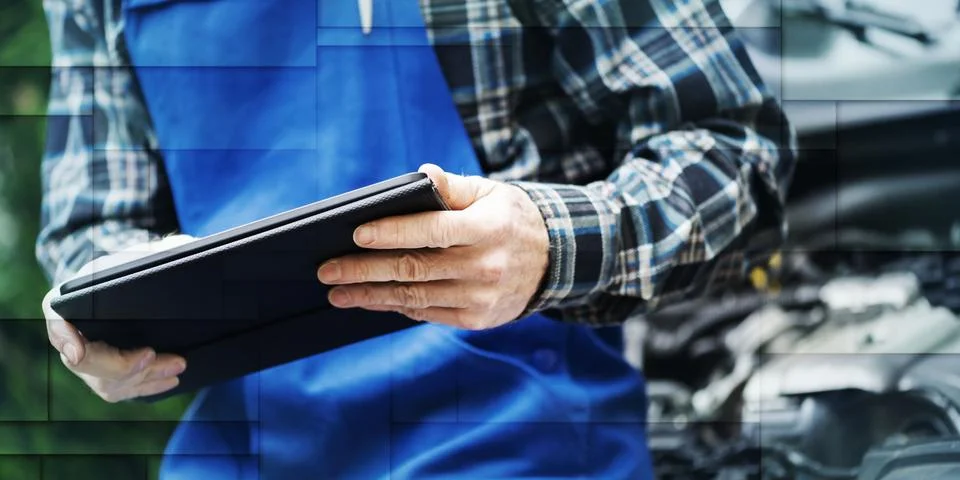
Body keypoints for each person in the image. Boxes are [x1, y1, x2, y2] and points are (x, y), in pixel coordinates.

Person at [38, 0, 796, 478]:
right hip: (243, 453)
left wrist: (550, 243)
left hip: (522, 440)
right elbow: (89, 228)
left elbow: (734, 147)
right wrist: (103, 312)